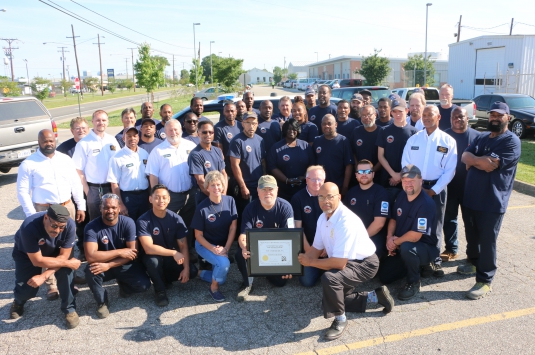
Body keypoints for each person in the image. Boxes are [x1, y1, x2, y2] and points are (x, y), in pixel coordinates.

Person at [298, 182, 394, 341]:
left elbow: (339, 264)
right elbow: (316, 248)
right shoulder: (323, 217)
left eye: (330, 196)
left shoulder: (345, 221)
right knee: (330, 300)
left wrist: (310, 263)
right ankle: (376, 297)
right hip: (349, 261)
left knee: (330, 278)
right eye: (321, 197)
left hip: (365, 264)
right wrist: (298, 260)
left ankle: (340, 320)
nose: (325, 201)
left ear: (339, 197)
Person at [458, 101, 520, 300]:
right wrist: (478, 161)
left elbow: (490, 165)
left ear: (507, 118)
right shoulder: (482, 137)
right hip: (471, 197)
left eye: (499, 115)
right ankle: (473, 261)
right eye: (492, 115)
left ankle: (485, 279)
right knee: (472, 235)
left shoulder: (511, 141)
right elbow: (464, 156)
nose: (495, 118)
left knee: (487, 240)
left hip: (492, 201)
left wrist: (474, 161)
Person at [402, 105, 457, 277]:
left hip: (437, 189)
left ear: (438, 117)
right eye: (423, 115)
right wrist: (414, 186)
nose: (425, 117)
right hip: (415, 188)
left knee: (436, 225)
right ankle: (420, 261)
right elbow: (406, 164)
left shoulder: (448, 141)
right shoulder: (414, 140)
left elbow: (450, 170)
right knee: (416, 225)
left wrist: (433, 190)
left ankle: (435, 261)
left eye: (430, 114)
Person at [10, 205, 82, 329]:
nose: (57, 230)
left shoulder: (69, 224)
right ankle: (18, 302)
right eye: (54, 226)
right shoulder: (29, 226)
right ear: (46, 217)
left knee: (66, 272)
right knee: (27, 288)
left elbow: (64, 256)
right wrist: (68, 263)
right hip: (28, 256)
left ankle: (69, 309)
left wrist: (44, 276)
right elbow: (37, 261)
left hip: (55, 251)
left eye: (61, 227)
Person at [84, 194, 151, 318]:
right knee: (91, 271)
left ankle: (124, 286)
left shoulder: (128, 222)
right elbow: (91, 257)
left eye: (114, 207)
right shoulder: (91, 227)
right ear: (100, 208)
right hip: (103, 264)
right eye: (106, 207)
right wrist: (119, 252)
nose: (110, 211)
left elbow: (133, 253)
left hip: (122, 263)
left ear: (119, 208)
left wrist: (109, 264)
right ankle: (102, 302)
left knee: (144, 286)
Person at [378, 165, 439, 301]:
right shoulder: (401, 195)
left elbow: (415, 235)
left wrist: (394, 242)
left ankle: (414, 281)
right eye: (405, 181)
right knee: (385, 277)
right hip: (402, 244)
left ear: (420, 181)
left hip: (423, 247)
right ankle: (417, 265)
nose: (408, 184)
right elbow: (393, 219)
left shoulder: (426, 203)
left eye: (412, 180)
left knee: (407, 248)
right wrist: (389, 238)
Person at [235, 175, 295, 301]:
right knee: (240, 253)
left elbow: (291, 238)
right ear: (257, 190)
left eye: (270, 189)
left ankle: (265, 271)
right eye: (263, 189)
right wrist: (244, 247)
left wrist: (289, 266)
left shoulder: (286, 207)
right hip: (257, 249)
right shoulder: (250, 208)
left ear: (277, 190)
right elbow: (242, 235)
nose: (267, 192)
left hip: (277, 249)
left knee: (280, 283)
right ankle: (247, 284)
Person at [137, 185, 198, 306]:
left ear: (169, 199)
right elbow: (148, 248)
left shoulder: (176, 219)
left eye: (164, 197)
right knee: (153, 262)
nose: (161, 201)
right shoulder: (143, 220)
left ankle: (165, 279)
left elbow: (183, 246)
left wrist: (185, 269)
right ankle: (160, 291)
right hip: (152, 257)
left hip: (169, 257)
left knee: (192, 271)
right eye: (157, 197)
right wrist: (174, 253)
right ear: (150, 199)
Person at [146, 119, 197, 249]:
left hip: (190, 195)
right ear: (165, 131)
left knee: (188, 224)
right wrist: (156, 196)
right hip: (170, 197)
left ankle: (188, 252)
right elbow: (153, 176)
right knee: (169, 225)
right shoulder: (157, 151)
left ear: (181, 130)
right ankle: (171, 252)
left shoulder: (190, 146)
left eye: (176, 129)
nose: (173, 132)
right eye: (170, 130)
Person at [191, 171, 237, 302]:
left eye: (218, 184)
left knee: (221, 273)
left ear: (223, 186)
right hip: (204, 244)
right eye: (212, 185)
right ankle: (214, 288)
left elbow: (233, 227)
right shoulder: (202, 208)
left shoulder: (230, 201)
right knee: (224, 264)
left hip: (223, 245)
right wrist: (213, 249)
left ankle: (198, 273)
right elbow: (198, 236)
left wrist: (226, 248)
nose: (216, 188)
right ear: (207, 187)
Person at [442, 107, 480, 262]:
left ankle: (473, 253)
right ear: (450, 118)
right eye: (454, 117)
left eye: (461, 116)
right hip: (449, 186)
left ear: (468, 118)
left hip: (470, 188)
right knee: (449, 220)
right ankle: (451, 249)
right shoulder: (444, 136)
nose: (457, 119)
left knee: (470, 222)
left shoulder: (478, 137)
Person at [72, 110, 120, 221]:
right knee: (96, 221)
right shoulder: (84, 143)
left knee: (113, 220)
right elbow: (78, 170)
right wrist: (88, 192)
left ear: (107, 122)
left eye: (103, 120)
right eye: (98, 120)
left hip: (113, 187)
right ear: (92, 121)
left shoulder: (112, 140)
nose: (101, 123)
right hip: (94, 189)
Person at [56, 117, 91, 260]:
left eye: (83, 128)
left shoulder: (93, 144)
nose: (81, 130)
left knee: (92, 220)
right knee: (80, 222)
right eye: (77, 128)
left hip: (92, 188)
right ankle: (82, 249)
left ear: (88, 129)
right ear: (72, 131)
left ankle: (95, 247)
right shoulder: (63, 149)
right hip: (74, 192)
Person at [343, 160, 390, 258]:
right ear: (356, 175)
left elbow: (379, 224)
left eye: (367, 172)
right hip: (353, 237)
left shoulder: (381, 193)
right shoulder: (351, 193)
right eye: (360, 172)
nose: (364, 174)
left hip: (373, 237)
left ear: (373, 174)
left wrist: (360, 238)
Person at [290, 165, 326, 287]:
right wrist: (310, 250)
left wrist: (327, 247)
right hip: (309, 245)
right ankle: (318, 266)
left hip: (329, 245)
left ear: (324, 180)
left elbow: (337, 226)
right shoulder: (298, 198)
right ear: (307, 180)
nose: (317, 182)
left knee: (337, 277)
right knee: (307, 281)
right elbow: (298, 228)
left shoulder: (330, 196)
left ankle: (322, 266)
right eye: (313, 179)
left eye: (320, 179)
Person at [377, 98, 418, 201]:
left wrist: (401, 175)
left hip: (407, 180)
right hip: (387, 180)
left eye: (400, 111)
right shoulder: (384, 131)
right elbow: (380, 156)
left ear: (407, 111)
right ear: (391, 112)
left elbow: (416, 157)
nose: (397, 114)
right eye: (394, 111)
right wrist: (393, 174)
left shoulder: (415, 132)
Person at [107, 126, 150, 221]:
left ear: (138, 137)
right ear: (123, 138)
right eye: (129, 136)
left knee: (144, 223)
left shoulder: (144, 154)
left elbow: (148, 176)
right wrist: (120, 204)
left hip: (144, 196)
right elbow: (114, 183)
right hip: (128, 197)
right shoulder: (117, 157)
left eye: (135, 136)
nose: (132, 138)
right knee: (129, 224)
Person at [267, 118, 314, 201]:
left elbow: (312, 164)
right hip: (283, 190)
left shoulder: (305, 146)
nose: (291, 131)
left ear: (298, 130)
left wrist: (304, 177)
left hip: (303, 188)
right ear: (284, 130)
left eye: (294, 129)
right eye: (288, 129)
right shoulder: (276, 147)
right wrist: (287, 180)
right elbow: (272, 167)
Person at [229, 111, 266, 202]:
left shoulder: (260, 140)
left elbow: (263, 161)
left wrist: (264, 181)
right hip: (246, 186)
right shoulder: (237, 141)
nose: (251, 126)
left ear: (257, 124)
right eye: (248, 123)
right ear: (243, 124)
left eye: (253, 123)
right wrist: (243, 187)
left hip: (259, 185)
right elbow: (235, 165)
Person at [188, 120, 227, 204]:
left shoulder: (218, 151)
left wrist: (223, 194)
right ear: (198, 133)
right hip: (205, 197)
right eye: (204, 132)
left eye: (211, 132)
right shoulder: (195, 154)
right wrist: (215, 198)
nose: (208, 135)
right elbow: (201, 181)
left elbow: (224, 174)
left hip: (220, 195)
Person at [314, 114, 353, 196]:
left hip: (338, 187)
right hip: (320, 186)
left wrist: (345, 187)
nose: (326, 126)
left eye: (329, 123)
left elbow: (349, 165)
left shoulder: (343, 141)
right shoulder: (317, 140)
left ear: (336, 124)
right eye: (324, 124)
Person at [350, 105, 382, 175]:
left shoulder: (382, 132)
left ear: (375, 115)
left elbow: (384, 156)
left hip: (378, 175)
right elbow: (353, 152)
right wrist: (358, 168)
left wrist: (371, 172)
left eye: (369, 115)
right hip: (360, 174)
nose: (366, 118)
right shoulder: (356, 131)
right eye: (363, 115)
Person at [213, 102, 242, 178]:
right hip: (229, 169)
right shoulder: (218, 128)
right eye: (227, 111)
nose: (230, 113)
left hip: (242, 166)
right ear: (224, 112)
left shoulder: (241, 125)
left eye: (232, 111)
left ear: (236, 111)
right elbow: (219, 152)